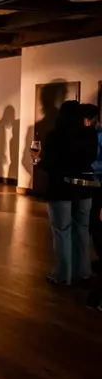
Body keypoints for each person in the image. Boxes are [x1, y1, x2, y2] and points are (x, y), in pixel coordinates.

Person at [34, 100, 97, 286]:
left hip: (60, 187)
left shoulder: (55, 135)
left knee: (62, 231)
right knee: (83, 229)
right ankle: (83, 272)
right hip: (84, 187)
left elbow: (50, 163)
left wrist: (37, 161)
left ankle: (63, 275)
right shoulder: (90, 134)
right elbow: (92, 158)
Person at [80, 103, 102, 267]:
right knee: (91, 218)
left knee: (91, 218)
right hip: (92, 179)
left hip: (96, 179)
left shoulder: (97, 135)